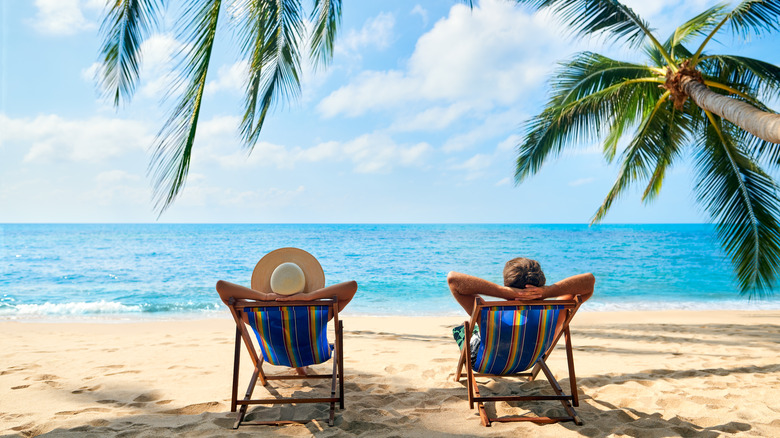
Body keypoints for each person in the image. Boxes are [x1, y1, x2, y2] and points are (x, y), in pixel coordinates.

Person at [216, 247, 358, 375]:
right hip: (314, 354)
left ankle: (299, 365)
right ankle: (301, 364)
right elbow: (352, 286)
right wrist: (309, 297)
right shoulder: (319, 312)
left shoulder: (255, 314)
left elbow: (221, 286)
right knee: (302, 335)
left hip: (276, 356)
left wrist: (264, 297)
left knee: (288, 336)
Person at [448, 257, 594, 362]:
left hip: (487, 363)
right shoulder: (557, 311)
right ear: (542, 283)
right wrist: (546, 292)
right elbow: (589, 281)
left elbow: (453, 280)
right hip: (530, 361)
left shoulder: (489, 314)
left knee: (463, 328)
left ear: (507, 285)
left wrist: (503, 292)